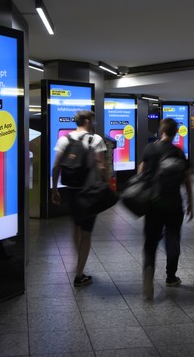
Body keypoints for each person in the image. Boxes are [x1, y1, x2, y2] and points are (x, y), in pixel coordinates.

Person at [52, 110, 108, 287]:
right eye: (92, 119)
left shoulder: (64, 139)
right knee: (86, 232)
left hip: (70, 191)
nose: (94, 123)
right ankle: (79, 273)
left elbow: (56, 166)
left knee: (76, 226)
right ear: (87, 120)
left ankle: (78, 260)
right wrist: (106, 182)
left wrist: (55, 189)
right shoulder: (96, 140)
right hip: (89, 191)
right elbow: (101, 166)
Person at [140, 118, 193, 300]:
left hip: (153, 204)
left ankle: (148, 272)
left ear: (160, 130)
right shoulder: (178, 153)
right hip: (174, 204)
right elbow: (187, 179)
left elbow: (141, 172)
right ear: (175, 132)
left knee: (151, 241)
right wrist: (191, 203)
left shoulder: (150, 149)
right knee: (173, 239)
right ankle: (170, 277)